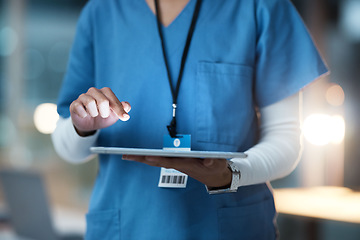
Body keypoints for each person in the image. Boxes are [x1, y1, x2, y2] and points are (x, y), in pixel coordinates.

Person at [52, 0, 328, 239]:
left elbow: (286, 138)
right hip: (125, 228)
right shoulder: (102, 12)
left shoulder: (260, 6)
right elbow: (67, 148)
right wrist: (83, 128)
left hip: (228, 230)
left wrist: (231, 173)